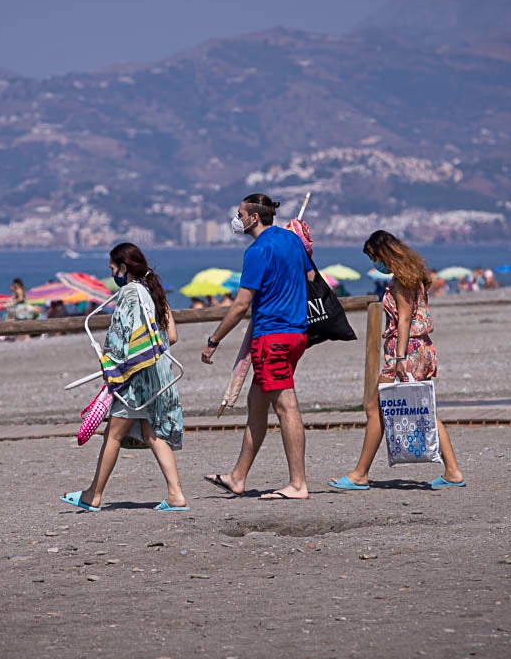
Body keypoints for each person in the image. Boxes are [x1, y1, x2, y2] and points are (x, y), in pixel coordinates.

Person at [330, 230, 465, 491]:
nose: (374, 264)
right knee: (424, 410)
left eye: (374, 258)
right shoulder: (416, 276)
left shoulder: (402, 281)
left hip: (406, 352)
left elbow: (404, 320)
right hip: (421, 348)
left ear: (384, 255)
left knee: (374, 408)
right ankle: (452, 471)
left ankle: (360, 473)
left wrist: (400, 358)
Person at [201, 193, 316, 501]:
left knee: (285, 405)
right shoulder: (292, 241)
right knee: (257, 403)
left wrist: (214, 340)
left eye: (240, 214)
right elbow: (311, 276)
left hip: (273, 337)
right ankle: (237, 477)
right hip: (296, 334)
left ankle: (298, 484)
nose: (236, 219)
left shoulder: (257, 251)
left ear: (253, 218)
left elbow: (240, 305)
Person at [61, 243, 187, 513]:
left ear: (123, 268)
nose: (112, 274)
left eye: (112, 269)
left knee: (113, 434)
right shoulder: (152, 292)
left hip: (136, 375)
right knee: (151, 431)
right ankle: (175, 494)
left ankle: (93, 495)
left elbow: (120, 338)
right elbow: (171, 337)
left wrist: (109, 363)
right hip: (158, 372)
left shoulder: (130, 294)